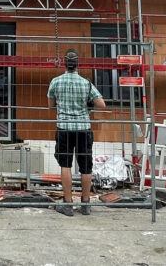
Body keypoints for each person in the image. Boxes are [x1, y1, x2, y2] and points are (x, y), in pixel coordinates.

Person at [47, 48, 106, 216]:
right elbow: (102, 104)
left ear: (65, 64)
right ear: (77, 64)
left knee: (65, 164)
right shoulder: (86, 83)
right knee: (85, 166)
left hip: (64, 127)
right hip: (83, 128)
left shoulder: (56, 82)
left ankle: (68, 204)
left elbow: (51, 105)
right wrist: (87, 106)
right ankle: (86, 203)